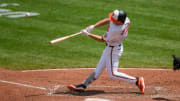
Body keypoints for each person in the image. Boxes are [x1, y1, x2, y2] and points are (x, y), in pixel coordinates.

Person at [68, 9, 145, 94]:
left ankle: (136, 81)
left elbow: (101, 39)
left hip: (113, 50)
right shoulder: (125, 19)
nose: (112, 20)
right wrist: (94, 26)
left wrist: (88, 34)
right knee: (97, 71)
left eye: (114, 20)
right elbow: (108, 20)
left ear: (119, 22)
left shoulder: (115, 31)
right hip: (111, 48)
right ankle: (83, 85)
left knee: (113, 74)